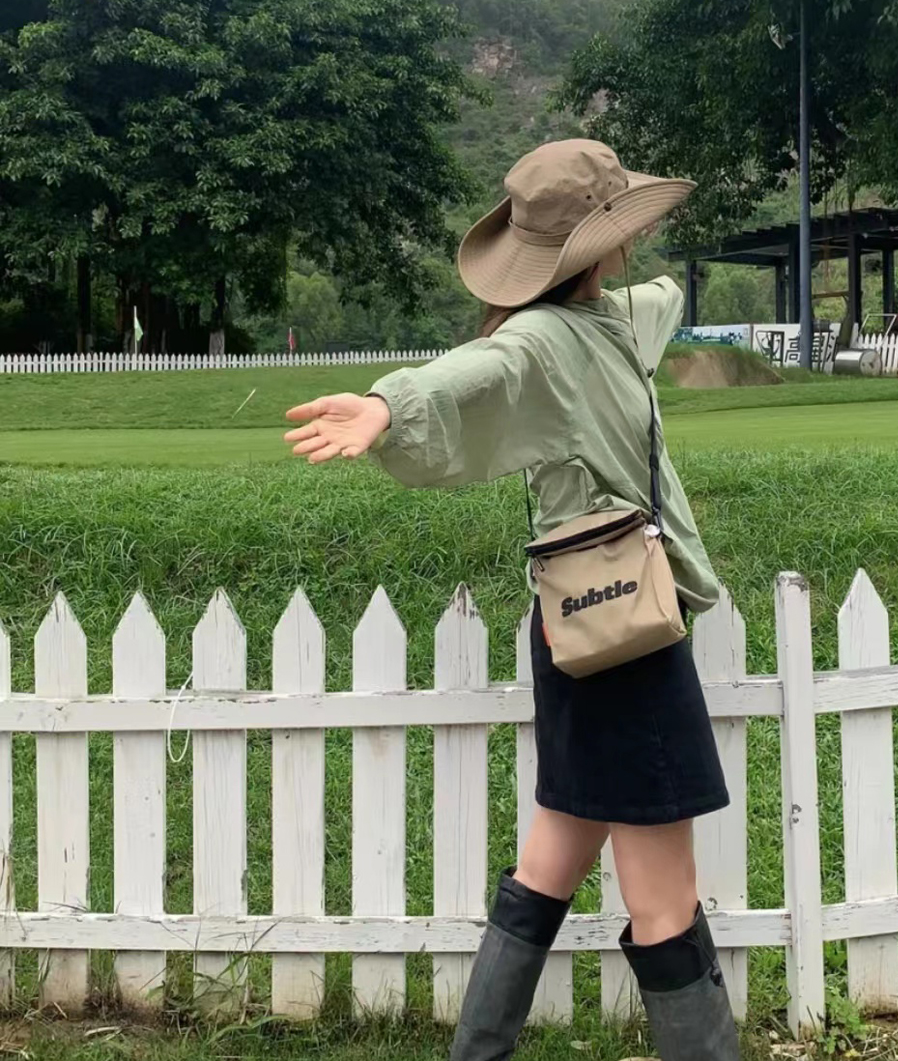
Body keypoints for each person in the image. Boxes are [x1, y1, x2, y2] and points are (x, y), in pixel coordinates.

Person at [284, 139, 739, 1061]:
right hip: (628, 639)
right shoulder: (541, 341)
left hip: (577, 628)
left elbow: (658, 300)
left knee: (552, 859)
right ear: (601, 243)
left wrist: (617, 249)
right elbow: (471, 372)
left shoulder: (615, 320)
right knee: (664, 902)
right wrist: (389, 405)